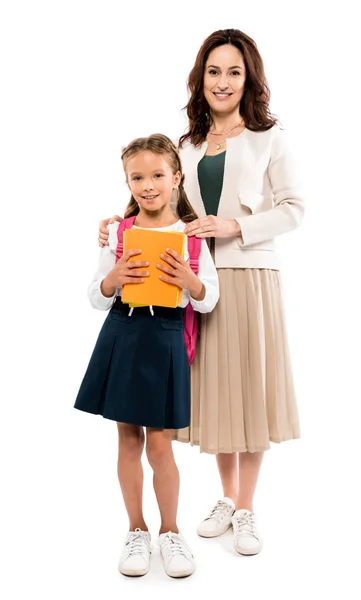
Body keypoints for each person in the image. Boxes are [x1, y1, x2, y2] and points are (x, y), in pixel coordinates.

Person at [98, 29, 304, 557]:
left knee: (251, 389)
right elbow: (160, 202)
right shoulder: (186, 143)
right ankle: (226, 497)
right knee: (215, 391)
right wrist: (115, 227)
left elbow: (295, 208)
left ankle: (248, 509)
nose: (223, 81)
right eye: (214, 70)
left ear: (249, 78)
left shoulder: (270, 136)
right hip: (193, 281)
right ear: (201, 77)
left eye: (234, 71)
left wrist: (232, 226)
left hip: (251, 273)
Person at [75, 134, 219, 578]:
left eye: (158, 175)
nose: (148, 184)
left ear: (176, 178)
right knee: (128, 438)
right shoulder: (119, 231)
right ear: (128, 182)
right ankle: (136, 529)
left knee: (160, 444)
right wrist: (112, 277)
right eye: (137, 177)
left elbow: (209, 299)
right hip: (123, 331)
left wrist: (190, 281)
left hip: (166, 336)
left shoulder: (190, 237)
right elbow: (96, 297)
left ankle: (170, 532)